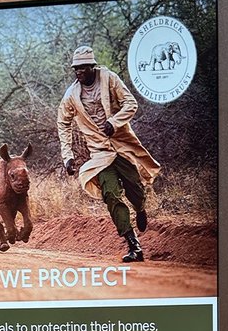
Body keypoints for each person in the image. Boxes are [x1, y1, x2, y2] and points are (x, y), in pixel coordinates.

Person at [57, 45, 161, 264]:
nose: (79, 72)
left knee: (135, 189)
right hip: (100, 154)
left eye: (83, 68)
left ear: (92, 66)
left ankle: (140, 208)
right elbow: (63, 123)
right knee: (111, 195)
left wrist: (114, 122)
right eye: (75, 69)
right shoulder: (71, 95)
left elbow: (130, 103)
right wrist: (67, 155)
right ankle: (134, 245)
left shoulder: (109, 79)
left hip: (122, 145)